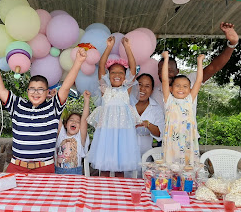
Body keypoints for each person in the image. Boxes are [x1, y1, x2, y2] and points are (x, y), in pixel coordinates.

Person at [0, 47, 87, 173]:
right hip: (16, 167)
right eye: (32, 89)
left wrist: (78, 62)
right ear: (27, 91)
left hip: (45, 168)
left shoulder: (53, 107)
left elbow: (66, 87)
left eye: (40, 89)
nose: (36, 92)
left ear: (47, 92)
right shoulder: (17, 105)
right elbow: (0, 89)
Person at [87, 36, 141, 177]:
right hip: (106, 133)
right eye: (113, 72)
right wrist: (109, 47)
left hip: (123, 134)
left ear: (125, 77)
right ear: (108, 76)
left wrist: (127, 47)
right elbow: (101, 66)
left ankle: (119, 194)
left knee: (119, 169)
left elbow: (133, 69)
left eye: (121, 73)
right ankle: (103, 193)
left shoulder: (126, 90)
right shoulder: (105, 89)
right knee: (104, 168)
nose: (117, 75)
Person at [152, 22, 239, 110]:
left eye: (170, 71)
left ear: (177, 71)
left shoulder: (189, 81)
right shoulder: (155, 92)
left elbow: (214, 67)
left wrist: (232, 44)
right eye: (162, 71)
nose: (166, 74)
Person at [161, 51, 204, 166]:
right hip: (171, 141)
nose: (181, 88)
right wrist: (166, 59)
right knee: (170, 169)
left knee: (187, 169)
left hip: (188, 140)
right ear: (171, 88)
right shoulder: (169, 100)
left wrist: (199, 62)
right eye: (177, 86)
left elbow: (199, 81)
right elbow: (165, 79)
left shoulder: (190, 99)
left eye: (185, 86)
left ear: (190, 89)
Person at [54, 90, 91, 175]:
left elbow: (84, 120)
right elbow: (57, 116)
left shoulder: (79, 138)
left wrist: (86, 100)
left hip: (75, 173)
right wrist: (54, 98)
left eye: (78, 122)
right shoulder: (61, 135)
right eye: (71, 120)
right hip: (58, 172)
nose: (74, 122)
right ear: (66, 124)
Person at [135, 74, 164, 156]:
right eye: (139, 84)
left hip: (145, 155)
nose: (142, 89)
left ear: (152, 90)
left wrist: (148, 124)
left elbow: (160, 133)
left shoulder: (156, 108)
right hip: (124, 155)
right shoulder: (126, 104)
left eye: (147, 86)